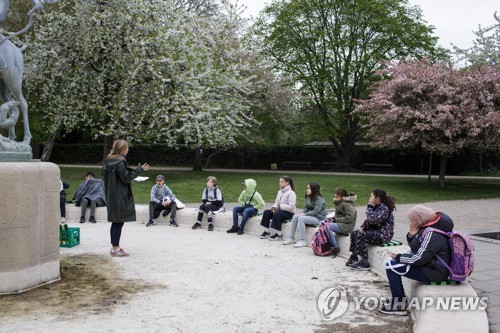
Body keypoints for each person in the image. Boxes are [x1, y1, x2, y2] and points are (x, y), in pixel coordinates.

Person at [379, 205, 453, 315]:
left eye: (413, 220)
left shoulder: (432, 233)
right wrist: (412, 236)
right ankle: (399, 300)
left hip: (434, 272)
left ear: (420, 219)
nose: (411, 222)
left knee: (391, 265)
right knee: (391, 263)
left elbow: (419, 258)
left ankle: (399, 305)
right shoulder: (429, 227)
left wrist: (399, 258)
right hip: (431, 266)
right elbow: (416, 249)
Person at [103, 139, 149, 257]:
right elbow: (126, 178)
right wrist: (140, 170)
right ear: (122, 150)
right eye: (127, 148)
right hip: (119, 196)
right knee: (118, 223)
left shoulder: (108, 161)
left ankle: (115, 246)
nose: (128, 150)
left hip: (111, 195)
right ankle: (115, 249)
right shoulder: (119, 163)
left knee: (115, 222)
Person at [347, 189, 396, 271]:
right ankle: (354, 256)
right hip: (376, 232)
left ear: (377, 199)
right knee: (355, 233)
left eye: (371, 196)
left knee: (362, 235)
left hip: (383, 235)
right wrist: (364, 227)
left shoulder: (384, 209)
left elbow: (372, 219)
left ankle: (365, 262)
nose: (369, 198)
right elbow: (369, 221)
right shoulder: (377, 206)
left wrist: (369, 207)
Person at [283, 182, 327, 248]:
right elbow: (306, 207)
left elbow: (316, 211)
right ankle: (291, 238)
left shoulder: (319, 199)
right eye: (307, 188)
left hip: (318, 218)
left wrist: (304, 214)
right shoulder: (308, 196)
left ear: (314, 189)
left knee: (301, 218)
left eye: (309, 188)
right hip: (311, 216)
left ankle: (302, 241)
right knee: (295, 216)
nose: (307, 189)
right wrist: (301, 213)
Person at [259, 175, 296, 240]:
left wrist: (279, 207)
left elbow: (291, 207)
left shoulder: (291, 193)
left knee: (277, 214)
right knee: (266, 212)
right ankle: (266, 232)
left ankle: (279, 235)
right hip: (280, 211)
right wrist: (273, 207)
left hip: (289, 213)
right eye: (279, 182)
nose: (280, 183)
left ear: (287, 183)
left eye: (282, 182)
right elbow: (276, 203)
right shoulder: (280, 192)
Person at [323, 188, 357, 255]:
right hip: (341, 223)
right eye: (334, 196)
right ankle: (326, 244)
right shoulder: (338, 203)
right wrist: (332, 219)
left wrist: (336, 220)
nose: (335, 198)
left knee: (326, 226)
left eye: (337, 197)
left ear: (343, 197)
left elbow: (350, 218)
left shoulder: (347, 204)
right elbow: (337, 215)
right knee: (323, 223)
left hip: (347, 226)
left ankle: (335, 247)